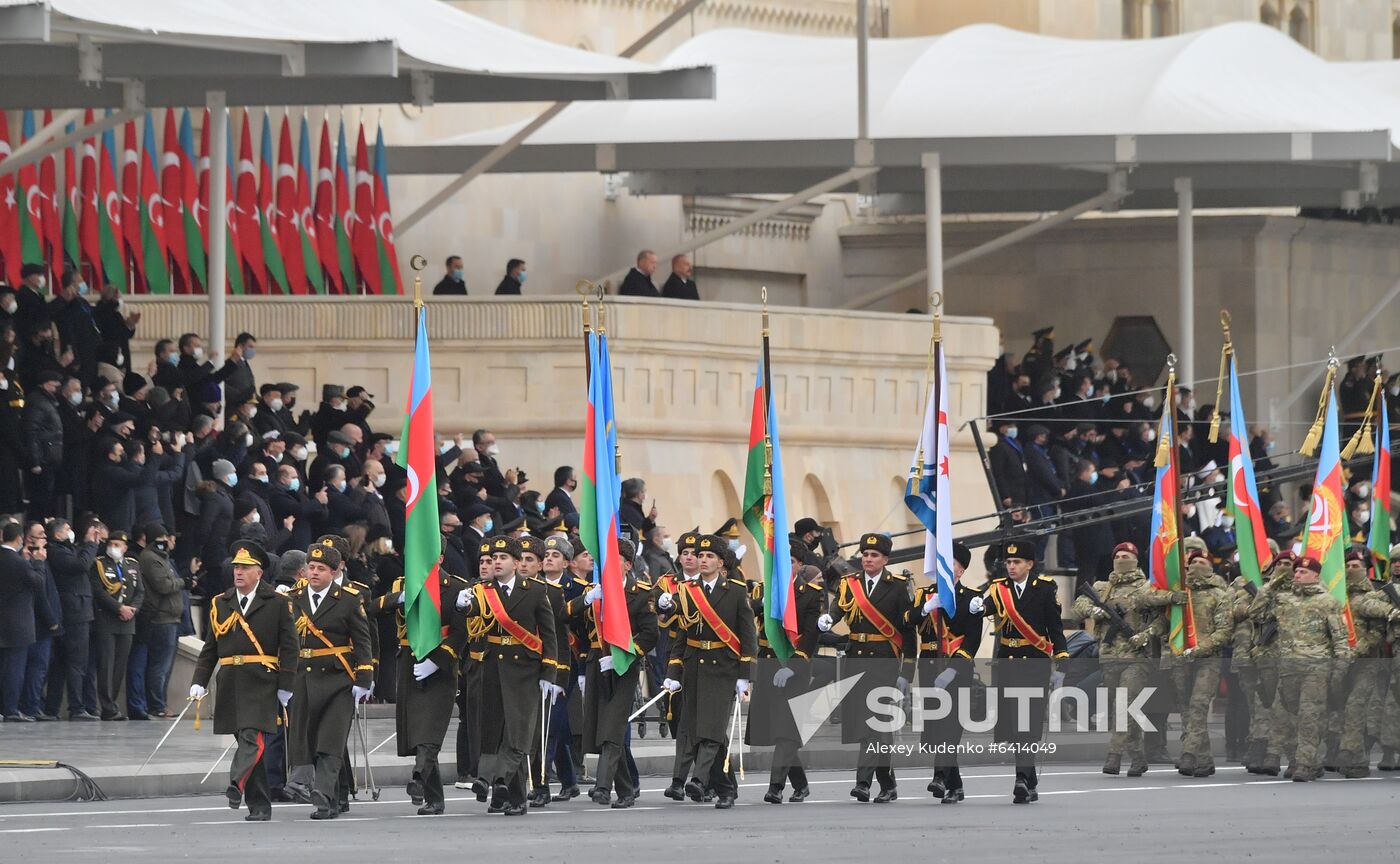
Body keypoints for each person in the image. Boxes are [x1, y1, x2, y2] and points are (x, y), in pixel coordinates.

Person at [189, 540, 298, 821]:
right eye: (236, 566)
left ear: (259, 573)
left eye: (245, 567)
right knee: (246, 741)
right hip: (231, 681)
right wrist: (199, 680)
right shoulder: (221, 603)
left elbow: (289, 647)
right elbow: (211, 647)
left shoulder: (277, 602)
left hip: (263, 680)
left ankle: (236, 782)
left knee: (254, 738)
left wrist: (287, 685)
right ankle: (259, 806)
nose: (238, 572)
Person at [455, 535, 558, 816]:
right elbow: (475, 612)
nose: (496, 563)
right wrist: (464, 605)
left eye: (502, 558)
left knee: (518, 733)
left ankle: (495, 779)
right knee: (492, 732)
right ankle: (507, 792)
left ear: (515, 563)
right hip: (492, 668)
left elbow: (548, 634)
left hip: (525, 670)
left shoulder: (535, 591)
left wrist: (549, 672)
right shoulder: (483, 591)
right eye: (493, 559)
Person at [816, 533, 914, 803]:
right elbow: (839, 610)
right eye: (865, 555)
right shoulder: (851, 584)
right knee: (864, 723)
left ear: (885, 559)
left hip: (885, 662)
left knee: (878, 724)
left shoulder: (897, 586)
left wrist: (907, 673)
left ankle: (863, 782)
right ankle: (888, 783)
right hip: (856, 661)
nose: (868, 559)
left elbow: (908, 633)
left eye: (874, 555)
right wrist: (828, 619)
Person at [660, 535, 757, 809]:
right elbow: (681, 634)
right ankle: (725, 789)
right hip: (694, 666)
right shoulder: (687, 590)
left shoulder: (736, 591)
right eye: (700, 556)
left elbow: (748, 636)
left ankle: (699, 780)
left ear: (721, 562)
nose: (702, 560)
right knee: (693, 728)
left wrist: (745, 674)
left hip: (724, 668)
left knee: (712, 730)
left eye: (709, 557)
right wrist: (673, 671)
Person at [374, 538, 469, 815]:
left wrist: (438, 662)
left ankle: (418, 778)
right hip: (409, 665)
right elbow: (371, 608)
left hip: (440, 668)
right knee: (417, 733)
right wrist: (398, 598)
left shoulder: (456, 588)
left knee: (429, 732)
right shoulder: (402, 585)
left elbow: (462, 634)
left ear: (440, 558)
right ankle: (434, 798)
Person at [974, 540, 1069, 803]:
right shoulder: (998, 589)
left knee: (1028, 723)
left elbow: (1055, 629)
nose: (1012, 566)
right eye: (1009, 562)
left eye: (1017, 562)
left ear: (1029, 564)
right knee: (1013, 724)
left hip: (1034, 663)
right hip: (1007, 663)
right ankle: (1028, 778)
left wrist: (1061, 663)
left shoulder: (1044, 589)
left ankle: (1021, 778)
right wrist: (977, 608)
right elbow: (988, 608)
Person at [287, 543, 373, 819]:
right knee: (310, 738)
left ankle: (323, 795)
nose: (313, 573)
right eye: (311, 567)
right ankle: (335, 797)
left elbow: (363, 641)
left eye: (321, 569)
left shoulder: (348, 598)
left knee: (331, 739)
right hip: (303, 678)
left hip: (338, 680)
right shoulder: (293, 598)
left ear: (334, 572)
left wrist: (365, 677)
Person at [568, 538, 657, 808]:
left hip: (625, 666)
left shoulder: (641, 593)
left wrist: (624, 655)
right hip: (597, 662)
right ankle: (627, 789)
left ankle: (603, 787)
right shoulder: (596, 591)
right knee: (600, 727)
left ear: (628, 564)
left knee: (613, 727)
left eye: (614, 559)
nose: (606, 564)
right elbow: (566, 616)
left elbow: (650, 634)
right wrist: (586, 599)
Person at [1070, 542, 1169, 777]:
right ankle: (1138, 757)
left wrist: (1146, 635)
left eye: (1126, 555)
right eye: (1118, 555)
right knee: (1124, 708)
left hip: (1136, 658)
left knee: (1125, 705)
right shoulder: (1102, 587)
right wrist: (1093, 611)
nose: (1121, 558)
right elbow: (1078, 606)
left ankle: (1113, 755)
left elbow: (1162, 620)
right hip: (1108, 656)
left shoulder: (1147, 588)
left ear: (1135, 559)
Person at [1255, 555, 1351, 782]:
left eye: (1303, 572)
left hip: (1316, 667)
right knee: (1290, 715)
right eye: (1296, 571)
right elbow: (1256, 613)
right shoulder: (1284, 599)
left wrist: (1339, 669)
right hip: (1288, 667)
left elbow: (1340, 638)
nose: (1297, 574)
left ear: (1316, 576)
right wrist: (1272, 584)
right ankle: (1310, 761)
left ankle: (1304, 764)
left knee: (1310, 715)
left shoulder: (1327, 601)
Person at [750, 541, 824, 804]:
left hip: (794, 667)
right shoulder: (764, 590)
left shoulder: (811, 595)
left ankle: (776, 787)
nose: (785, 567)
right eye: (780, 562)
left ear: (799, 566)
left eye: (790, 562)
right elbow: (751, 616)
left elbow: (810, 637)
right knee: (779, 730)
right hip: (768, 664)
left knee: (786, 730)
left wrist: (792, 667)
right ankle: (801, 784)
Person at [910, 541, 984, 800]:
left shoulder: (971, 598)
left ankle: (940, 777)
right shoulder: (925, 595)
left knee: (950, 726)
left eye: (951, 564)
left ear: (961, 571)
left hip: (957, 668)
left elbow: (973, 639)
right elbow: (906, 620)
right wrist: (925, 608)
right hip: (930, 664)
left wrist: (953, 670)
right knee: (934, 727)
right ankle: (956, 785)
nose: (944, 568)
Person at [43, 519, 100, 720]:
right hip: (74, 613)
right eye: (67, 529)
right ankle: (76, 707)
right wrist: (92, 545)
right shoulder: (56, 551)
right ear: (57, 535)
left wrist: (87, 543)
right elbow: (81, 565)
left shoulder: (68, 548)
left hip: (78, 611)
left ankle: (52, 708)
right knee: (76, 662)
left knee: (63, 662)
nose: (71, 532)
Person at [128, 524, 184, 720]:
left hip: (170, 617)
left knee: (164, 666)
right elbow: (165, 585)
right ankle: (157, 705)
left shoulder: (162, 559)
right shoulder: (150, 559)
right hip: (161, 618)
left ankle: (160, 703)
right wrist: (181, 581)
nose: (167, 542)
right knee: (159, 666)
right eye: (162, 538)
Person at [91, 530, 144, 721]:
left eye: (118, 545)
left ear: (125, 547)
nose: (114, 547)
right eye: (111, 544)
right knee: (106, 664)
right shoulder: (99, 564)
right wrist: (119, 608)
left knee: (120, 666)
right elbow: (99, 592)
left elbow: (140, 592)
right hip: (108, 620)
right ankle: (107, 707)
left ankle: (111, 704)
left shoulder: (133, 565)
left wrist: (132, 609)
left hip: (128, 621)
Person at [0, 522, 42, 721]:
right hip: (18, 624)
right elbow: (37, 582)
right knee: (14, 669)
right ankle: (10, 709)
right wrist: (38, 563)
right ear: (19, 538)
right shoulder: (18, 562)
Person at [21, 369, 64, 522]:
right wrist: (35, 461)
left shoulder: (46, 401)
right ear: (46, 385)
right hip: (43, 460)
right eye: (54, 386)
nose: (57, 389)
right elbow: (30, 432)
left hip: (48, 458)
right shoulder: (37, 401)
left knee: (46, 500)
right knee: (39, 501)